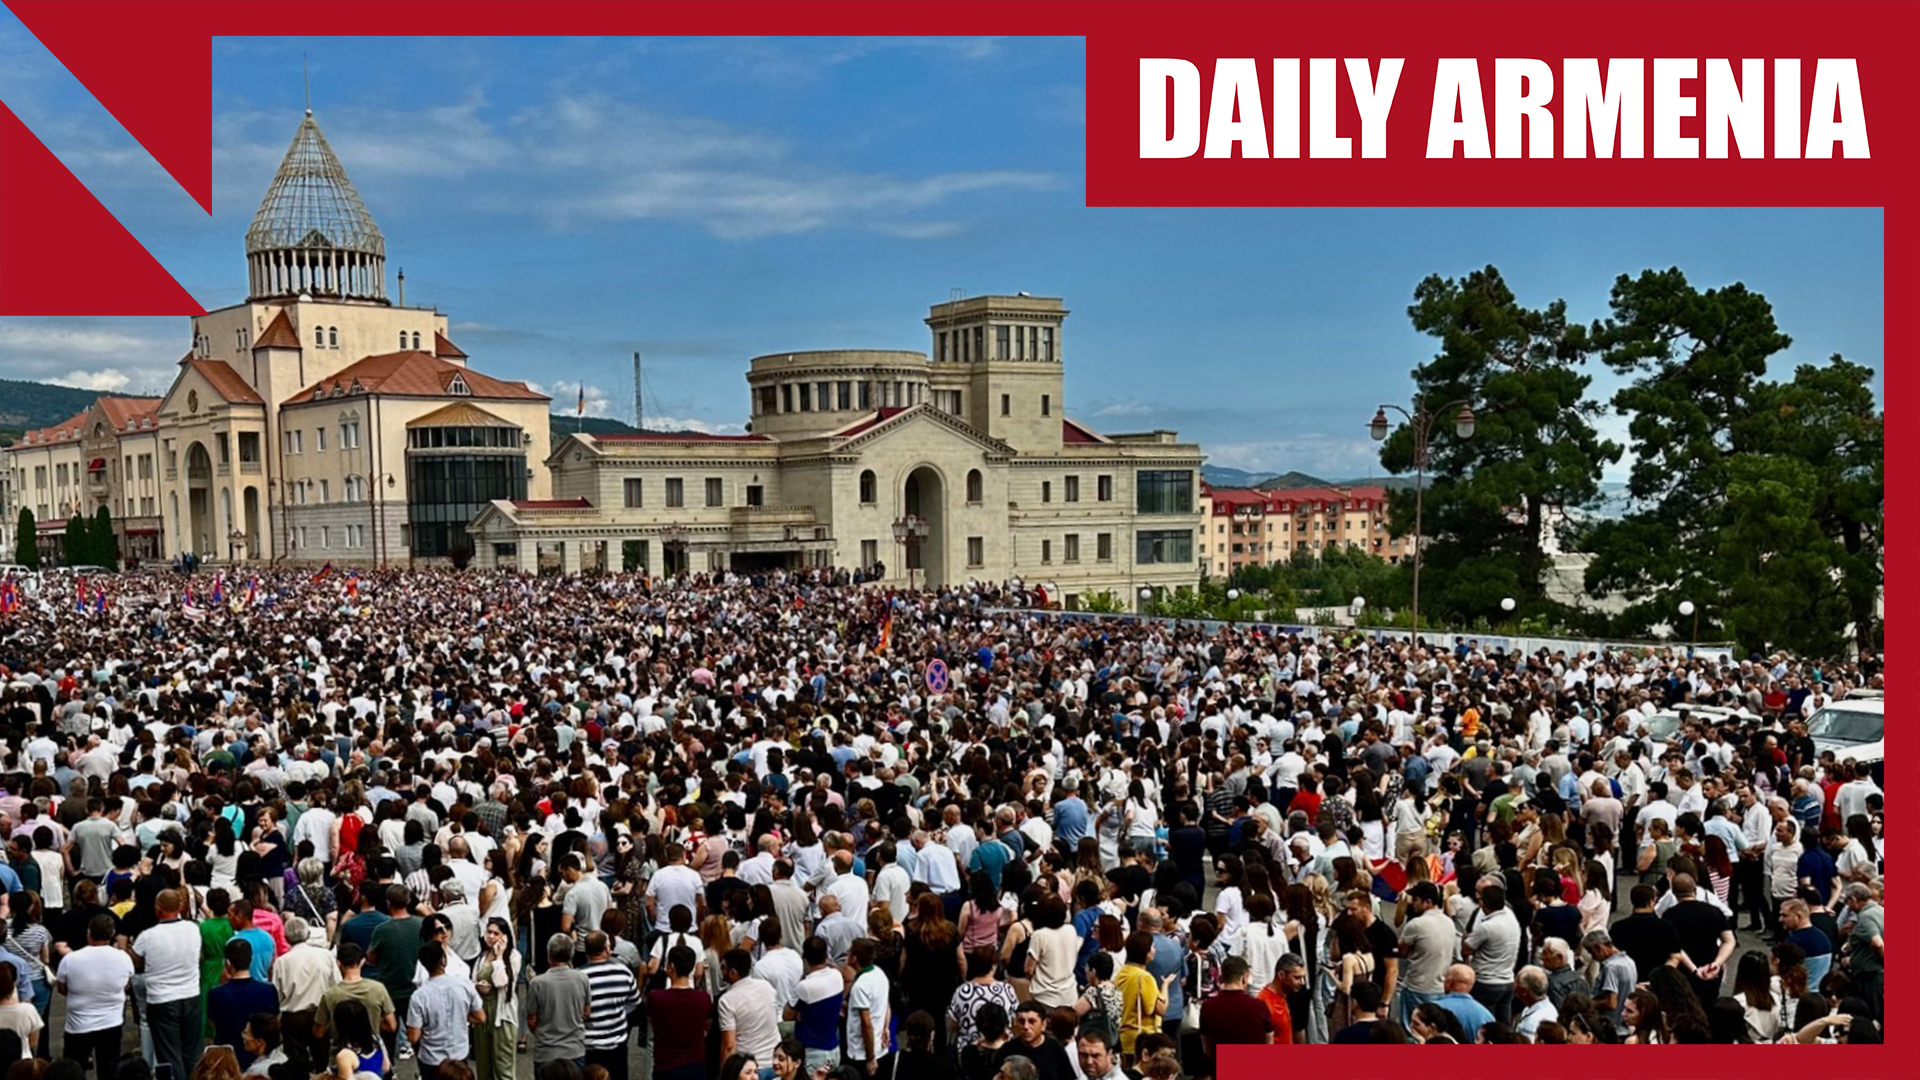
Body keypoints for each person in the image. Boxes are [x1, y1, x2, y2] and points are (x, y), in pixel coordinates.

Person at [133, 888, 204, 1080]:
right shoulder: (193, 929)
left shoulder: (147, 936)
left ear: (158, 909)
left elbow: (136, 962)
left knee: (169, 1055)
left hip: (162, 999)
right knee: (192, 1052)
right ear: (180, 906)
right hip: (190, 995)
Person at [54, 914, 132, 1080]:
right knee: (109, 1070)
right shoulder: (123, 958)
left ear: (89, 933)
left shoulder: (71, 960)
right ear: (111, 934)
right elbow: (125, 983)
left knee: (74, 1070)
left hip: (79, 1024)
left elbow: (62, 988)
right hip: (111, 1022)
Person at [404, 940, 483, 1071]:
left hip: (431, 1058)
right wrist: (461, 1018)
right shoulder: (464, 985)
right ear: (444, 961)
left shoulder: (419, 996)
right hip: (459, 1055)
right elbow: (480, 1017)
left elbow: (413, 1037)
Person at [365, 885, 422, 1061]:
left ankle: (389, 1072)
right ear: (409, 901)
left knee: (387, 1036)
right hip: (415, 990)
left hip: (389, 990)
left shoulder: (382, 930)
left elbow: (372, 958)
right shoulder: (420, 925)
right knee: (419, 1037)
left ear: (388, 903)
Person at [314, 944, 398, 1061]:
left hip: (340, 1054)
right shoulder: (378, 989)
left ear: (338, 963)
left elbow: (319, 1032)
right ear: (362, 961)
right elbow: (392, 1026)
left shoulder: (330, 995)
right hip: (370, 1053)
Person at [208, 939, 280, 1067]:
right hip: (262, 1058)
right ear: (251, 959)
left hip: (228, 1060)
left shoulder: (216, 994)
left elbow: (212, 1023)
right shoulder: (268, 990)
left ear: (228, 963)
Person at [527, 933, 592, 1067]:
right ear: (571, 954)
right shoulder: (582, 979)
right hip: (575, 1050)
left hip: (546, 1052)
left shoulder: (537, 983)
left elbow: (531, 1020)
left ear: (549, 955)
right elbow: (586, 1012)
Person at [647, 945, 710, 1080]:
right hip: (696, 1064)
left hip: (665, 1065)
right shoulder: (703, 998)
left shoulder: (656, 998)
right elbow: (707, 1025)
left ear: (671, 967)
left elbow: (653, 1023)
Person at [847, 937, 894, 1076]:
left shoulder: (861, 986)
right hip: (880, 1047)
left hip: (861, 1053)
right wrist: (886, 1027)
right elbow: (886, 1004)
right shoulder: (879, 973)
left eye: (849, 952)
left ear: (854, 958)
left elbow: (866, 1023)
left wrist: (870, 1057)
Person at [996, 1002, 1076, 1080]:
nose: (1026, 1026)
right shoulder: (1007, 1050)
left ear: (1043, 1025)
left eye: (1032, 1021)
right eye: (1021, 1021)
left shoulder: (1055, 1049)